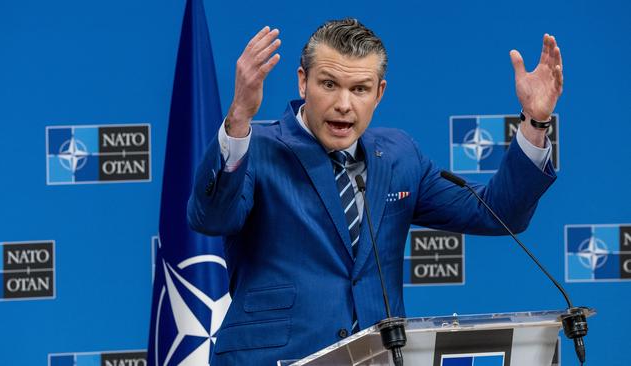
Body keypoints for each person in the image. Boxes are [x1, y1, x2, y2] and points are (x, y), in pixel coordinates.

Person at [188, 18, 562, 366]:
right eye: (329, 84)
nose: (344, 104)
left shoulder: (398, 156)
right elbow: (211, 217)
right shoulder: (257, 146)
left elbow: (498, 212)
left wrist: (535, 122)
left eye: (360, 89)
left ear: (379, 93)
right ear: (303, 82)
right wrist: (238, 118)